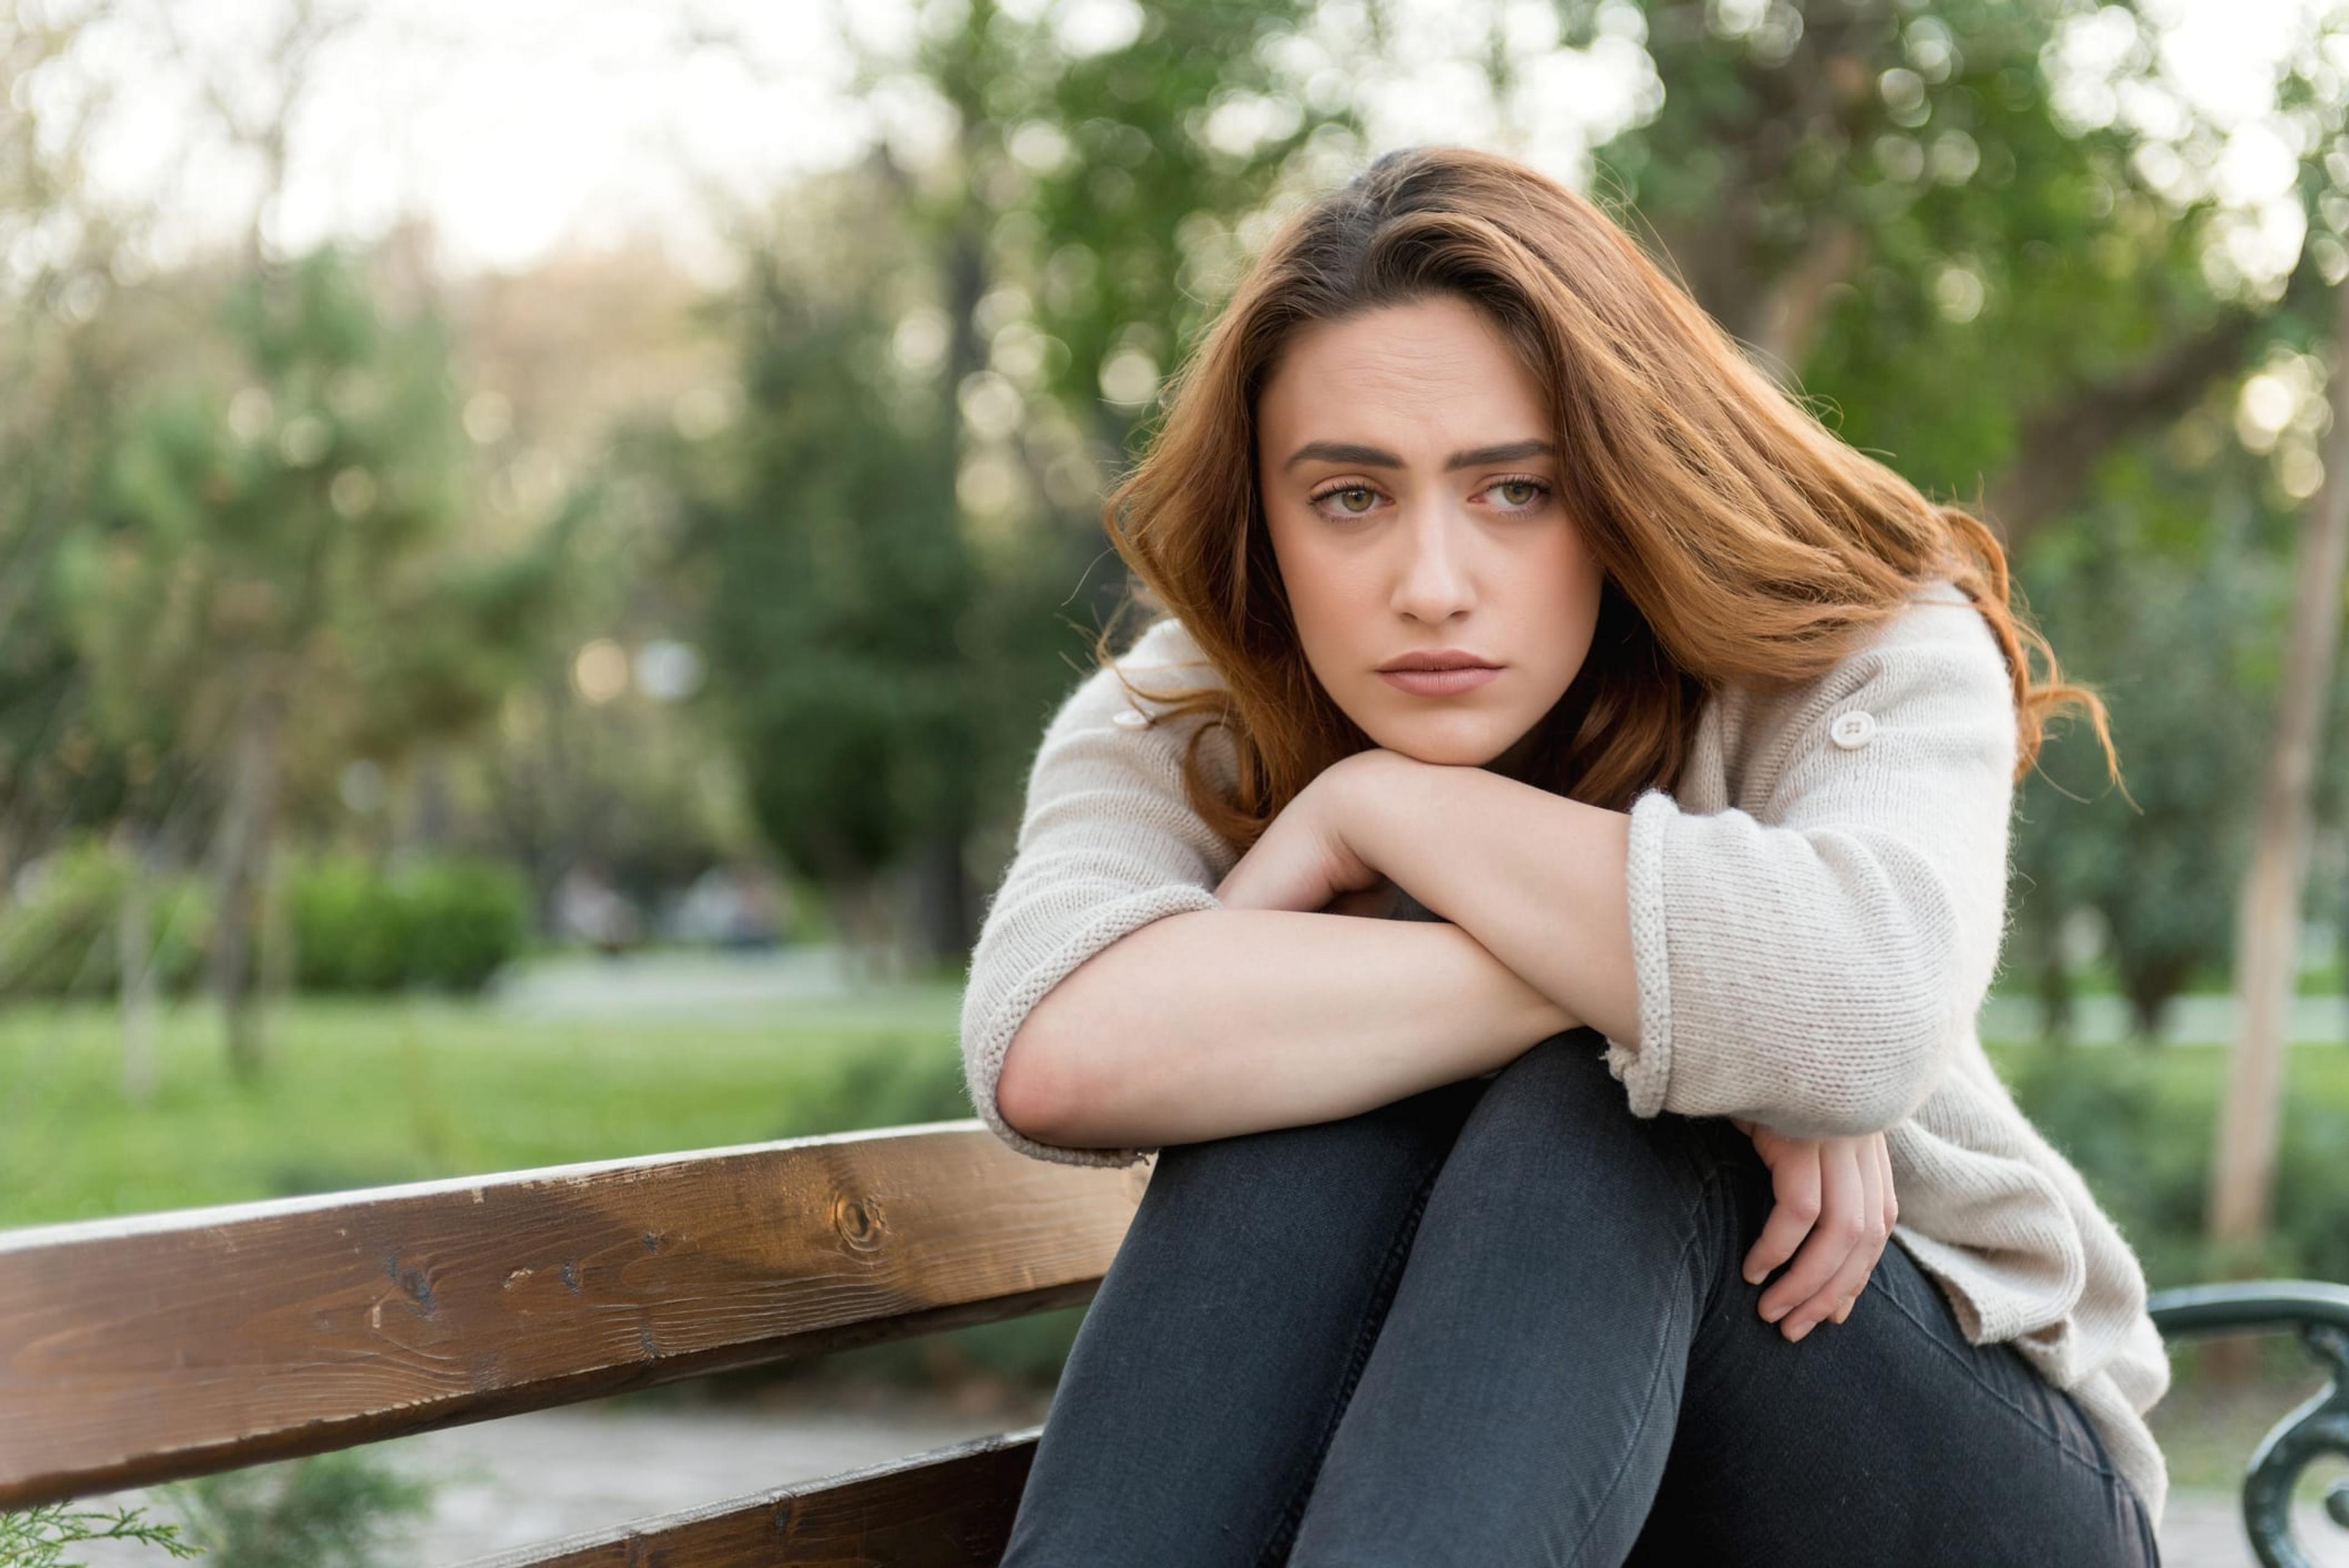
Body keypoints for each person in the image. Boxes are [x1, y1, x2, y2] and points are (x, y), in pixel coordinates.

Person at [957, 144, 2167, 1566]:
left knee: (1610, 1117)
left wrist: (1385, 812)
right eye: (1350, 496)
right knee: (1311, 1098)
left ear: (1623, 473)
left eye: (1514, 490)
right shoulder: (1188, 711)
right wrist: (1691, 992)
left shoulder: (1859, 642)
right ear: (1265, 517)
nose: (1431, 583)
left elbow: (1868, 998)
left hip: (1947, 1470)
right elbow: (1051, 1046)